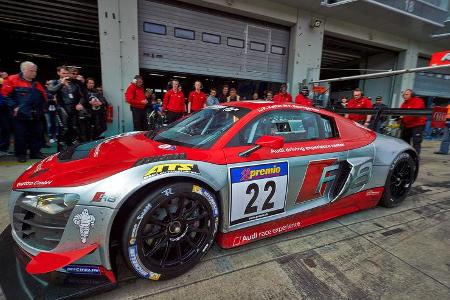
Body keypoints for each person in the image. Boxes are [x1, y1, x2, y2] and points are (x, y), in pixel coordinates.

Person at [1, 61, 47, 162]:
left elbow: (44, 97)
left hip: (35, 114)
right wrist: (14, 107)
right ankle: (21, 154)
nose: (34, 73)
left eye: (35, 71)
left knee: (36, 133)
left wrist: (43, 108)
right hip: (20, 114)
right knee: (20, 135)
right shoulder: (11, 79)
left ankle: (35, 152)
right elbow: (5, 95)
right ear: (23, 70)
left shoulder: (37, 83)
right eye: (31, 71)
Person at [48, 65, 89, 145]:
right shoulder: (54, 82)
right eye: (63, 73)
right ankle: (61, 148)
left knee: (74, 128)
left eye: (67, 73)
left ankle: (70, 146)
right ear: (58, 73)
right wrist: (61, 84)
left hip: (74, 108)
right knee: (64, 128)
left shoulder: (75, 83)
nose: (65, 75)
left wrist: (80, 103)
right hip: (62, 108)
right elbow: (51, 91)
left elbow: (83, 95)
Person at [399, 89, 427, 154]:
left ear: (412, 95)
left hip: (417, 125)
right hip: (407, 125)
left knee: (416, 142)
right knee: (404, 141)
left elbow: (414, 112)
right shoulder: (404, 104)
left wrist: (404, 116)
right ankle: (406, 155)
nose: (404, 96)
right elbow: (400, 113)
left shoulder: (418, 101)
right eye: (404, 94)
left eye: (406, 94)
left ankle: (415, 158)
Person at [0, 71, 11, 156]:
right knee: (4, 129)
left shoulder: (4, 81)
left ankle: (3, 148)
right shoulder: (3, 80)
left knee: (5, 129)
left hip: (4, 109)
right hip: (3, 109)